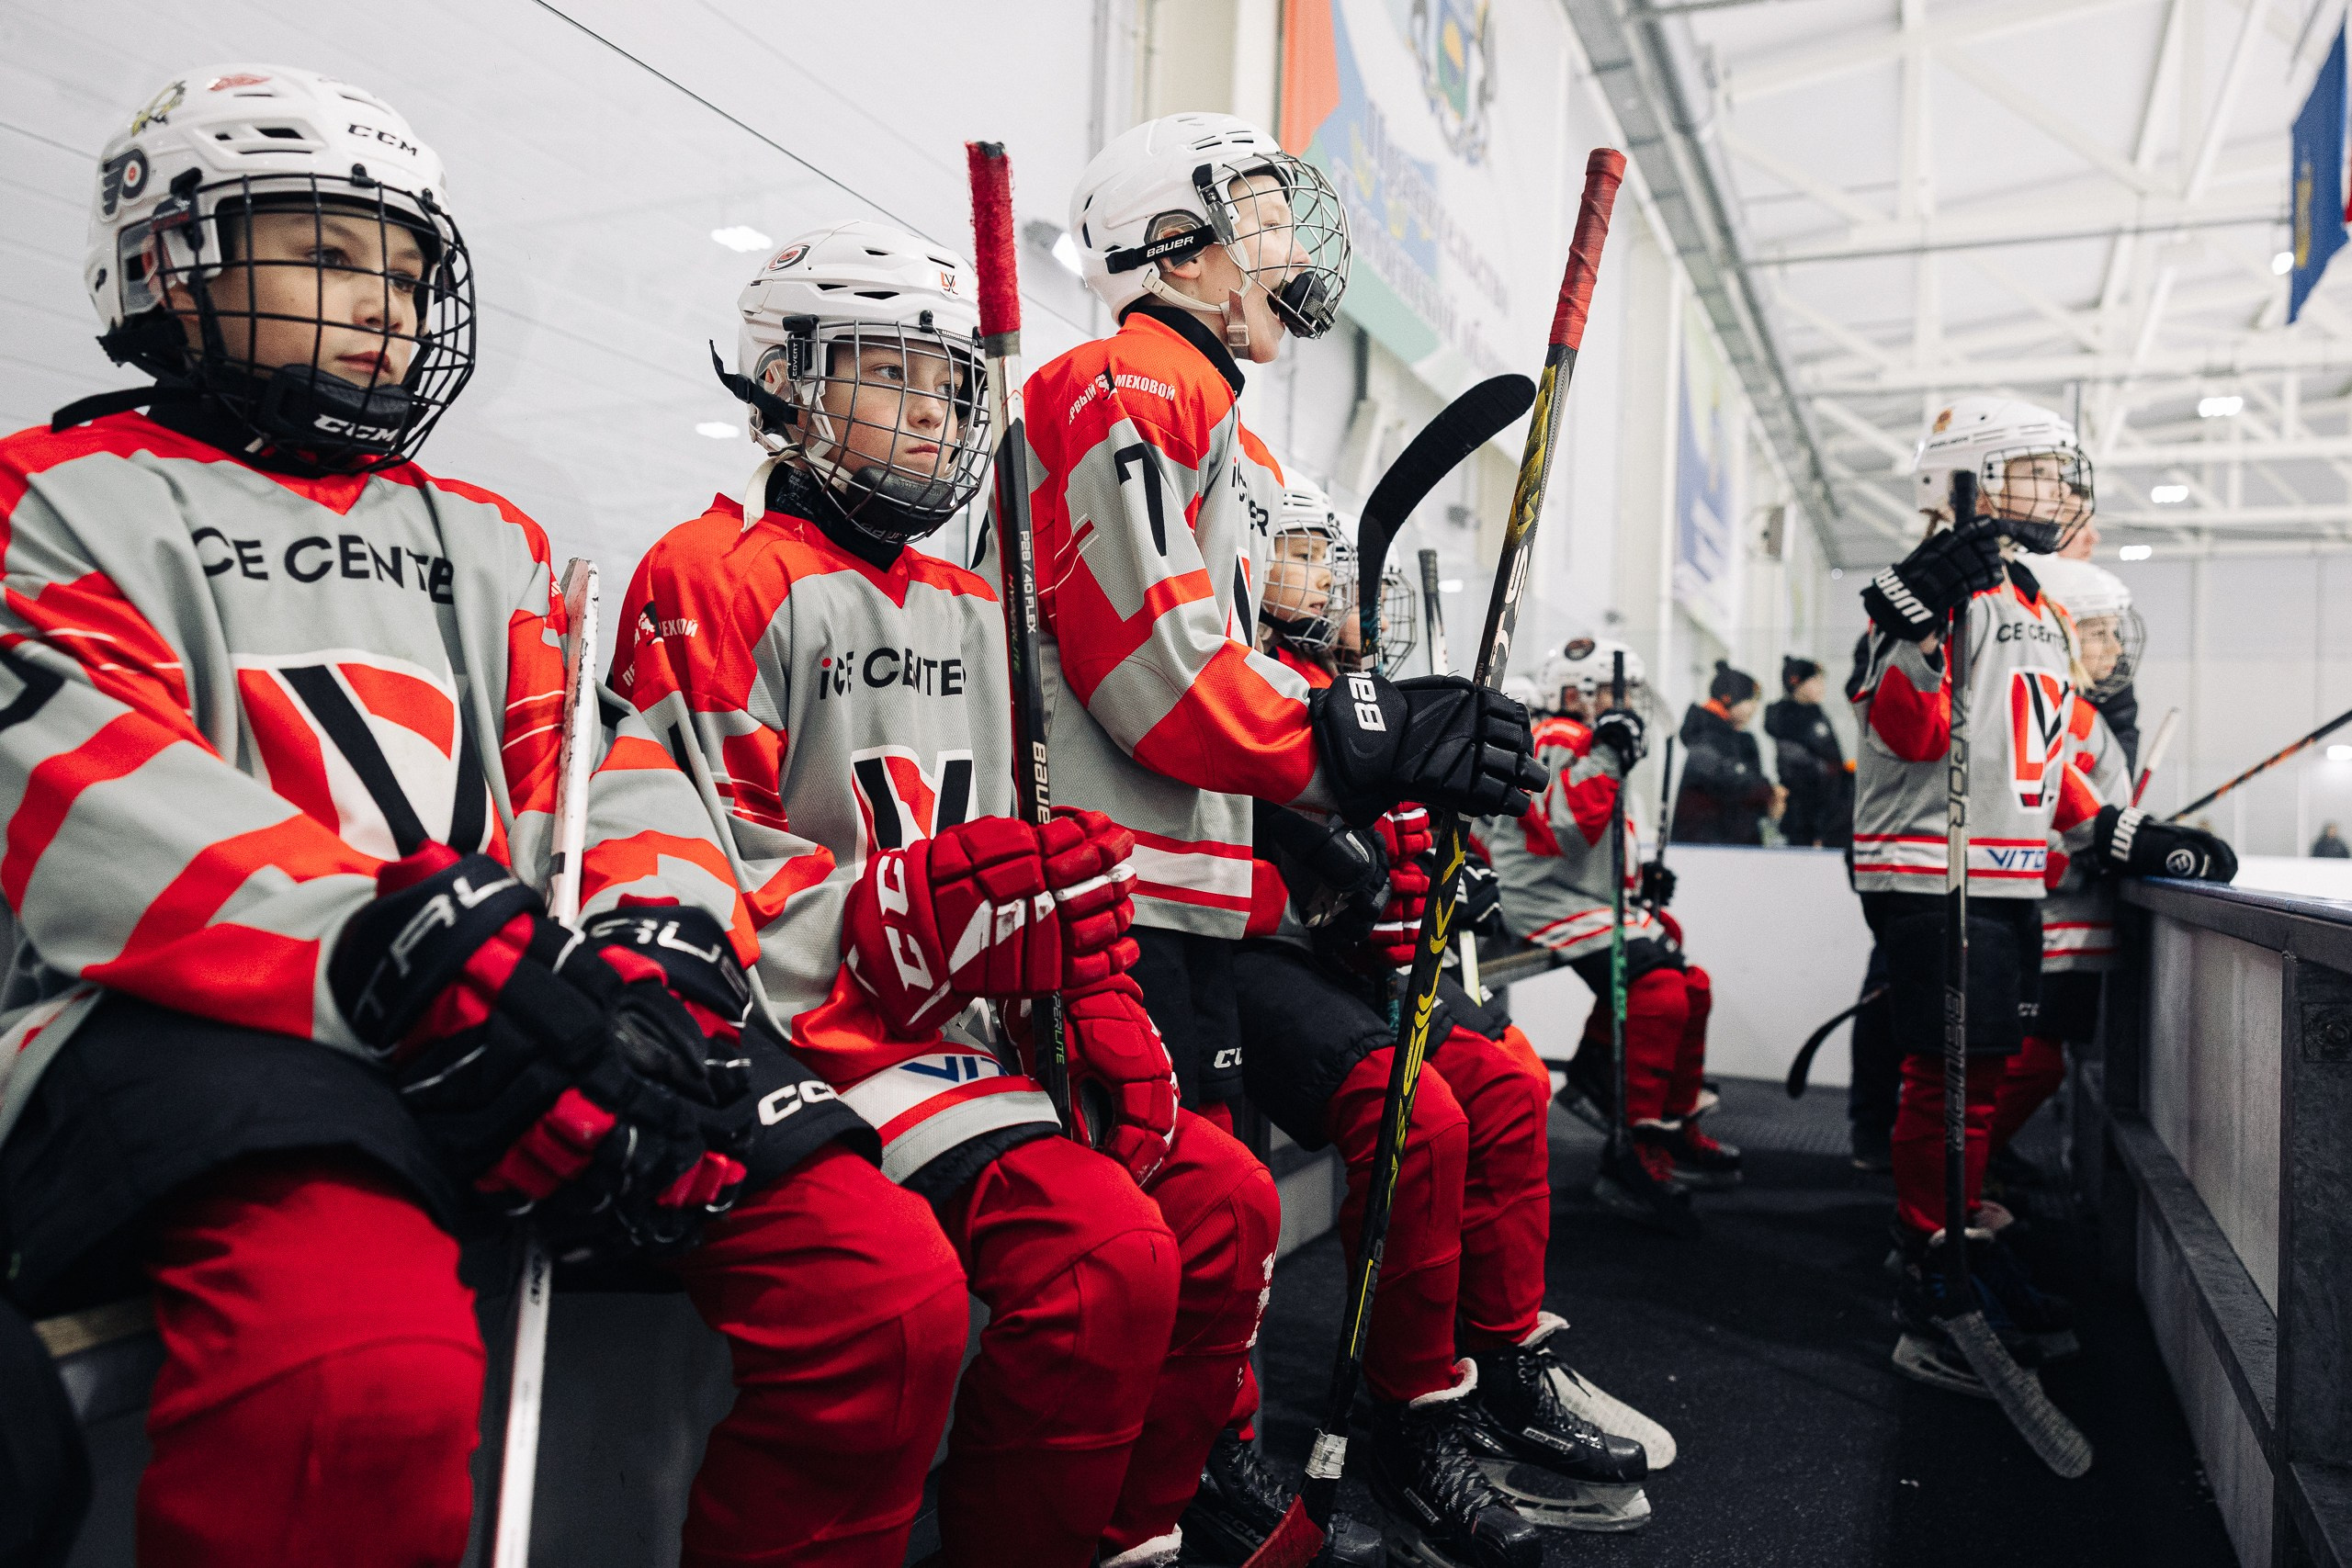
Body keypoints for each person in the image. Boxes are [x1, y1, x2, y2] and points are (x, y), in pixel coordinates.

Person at [0, 68, 969, 1568]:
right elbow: (91, 799)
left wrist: (656, 934)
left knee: (883, 1287)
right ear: (166, 267)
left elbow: (606, 771)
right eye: (326, 257)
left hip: (514, 995)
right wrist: (409, 948)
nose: (381, 307)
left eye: (402, 270)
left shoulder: (492, 536)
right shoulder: (47, 499)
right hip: (198, 1028)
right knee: (351, 1377)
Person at [612, 220, 1288, 1568]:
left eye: (944, 386)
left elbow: (1013, 847)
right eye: (884, 377)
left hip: (957, 1038)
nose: (924, 416)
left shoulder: (972, 604)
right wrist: (892, 920)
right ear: (786, 381)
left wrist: (1087, 981)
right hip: (814, 1032)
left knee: (1224, 1204)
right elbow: (695, 845)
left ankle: (1127, 1531)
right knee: (1103, 1255)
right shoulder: (715, 572)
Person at [1032, 115, 1546, 1561]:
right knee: (1160, 1238)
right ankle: (1131, 1509)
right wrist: (1346, 746)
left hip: (1191, 895)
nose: (1283, 241)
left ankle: (1194, 1471)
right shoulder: (1124, 380)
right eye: (1254, 213)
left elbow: (1243, 670)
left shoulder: (1216, 417)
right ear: (1172, 244)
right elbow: (1155, 663)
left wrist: (1369, 762)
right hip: (1112, 900)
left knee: (1215, 1233)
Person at [1227, 485, 1662, 1562]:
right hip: (1251, 959)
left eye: (1336, 560)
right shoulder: (1220, 668)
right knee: (1416, 1118)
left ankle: (1497, 1364)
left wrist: (1441, 874)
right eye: (1301, 555)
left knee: (1510, 1086)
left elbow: (1412, 834)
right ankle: (1413, 1416)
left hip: (1351, 962)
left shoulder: (1345, 681)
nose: (1328, 579)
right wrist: (1326, 878)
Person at [1852, 394, 2233, 1396]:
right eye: (2035, 470)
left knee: (1977, 1083)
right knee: (1947, 1083)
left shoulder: (2030, 600)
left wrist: (2117, 833)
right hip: (1935, 871)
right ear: (1964, 476)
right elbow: (1910, 733)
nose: (2060, 491)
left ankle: (1955, 1249)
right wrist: (1908, 623)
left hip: (2006, 874)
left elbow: (2046, 754)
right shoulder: (1939, 593)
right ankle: (1934, 1285)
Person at [1478, 637, 1741, 1235]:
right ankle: (1630, 1140)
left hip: (1585, 899)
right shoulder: (1555, 736)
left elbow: (1598, 839)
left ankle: (1665, 1119)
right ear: (1577, 691)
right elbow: (1567, 826)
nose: (1628, 705)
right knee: (1659, 991)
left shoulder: (1589, 742)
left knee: (1691, 986)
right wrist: (1608, 753)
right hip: (1545, 901)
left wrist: (1640, 876)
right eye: (1617, 692)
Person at [1983, 556, 2137, 1241]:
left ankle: (1976, 1167)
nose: (2113, 649)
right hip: (2051, 931)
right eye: (2100, 632)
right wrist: (2112, 843)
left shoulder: (2078, 711)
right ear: (2064, 630)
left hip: (2068, 931)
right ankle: (1967, 1171)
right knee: (2030, 1062)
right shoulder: (2063, 714)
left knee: (2039, 1062)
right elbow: (2045, 826)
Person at [1670, 662, 1784, 845]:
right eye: (1750, 700)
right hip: (1703, 850)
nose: (1754, 708)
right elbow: (1728, 777)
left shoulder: (1735, 738)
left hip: (1729, 847)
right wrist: (1768, 792)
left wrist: (1768, 801)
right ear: (1728, 698)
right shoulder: (1704, 736)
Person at [1764, 656, 1852, 848]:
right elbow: (1805, 775)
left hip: (1831, 813)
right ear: (1796, 684)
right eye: (1815, 681)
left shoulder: (1817, 713)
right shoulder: (1786, 720)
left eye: (1822, 681)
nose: (1821, 686)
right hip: (1805, 818)